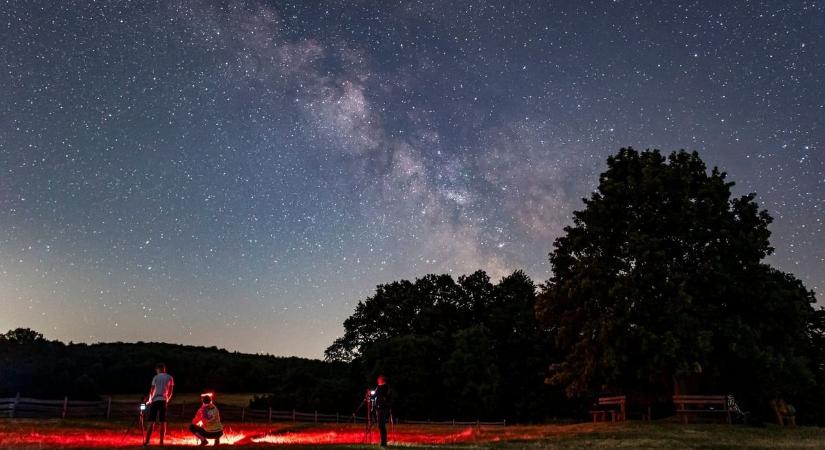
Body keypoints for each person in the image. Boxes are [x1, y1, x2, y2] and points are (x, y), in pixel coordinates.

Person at [143, 363, 174, 446]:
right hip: (163, 400)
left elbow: (152, 390)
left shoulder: (155, 377)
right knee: (162, 421)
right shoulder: (170, 377)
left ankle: (147, 441)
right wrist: (167, 400)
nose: (156, 371)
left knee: (151, 421)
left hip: (155, 400)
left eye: (156, 370)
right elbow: (170, 391)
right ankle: (161, 442)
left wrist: (149, 400)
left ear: (159, 369)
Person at [371, 374, 391, 447]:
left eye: (378, 380)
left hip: (382, 408)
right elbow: (375, 395)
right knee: (381, 425)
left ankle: (383, 442)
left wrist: (370, 396)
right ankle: (383, 442)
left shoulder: (383, 387)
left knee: (381, 425)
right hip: (381, 408)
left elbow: (376, 395)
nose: (377, 381)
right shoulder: (382, 387)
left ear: (381, 380)